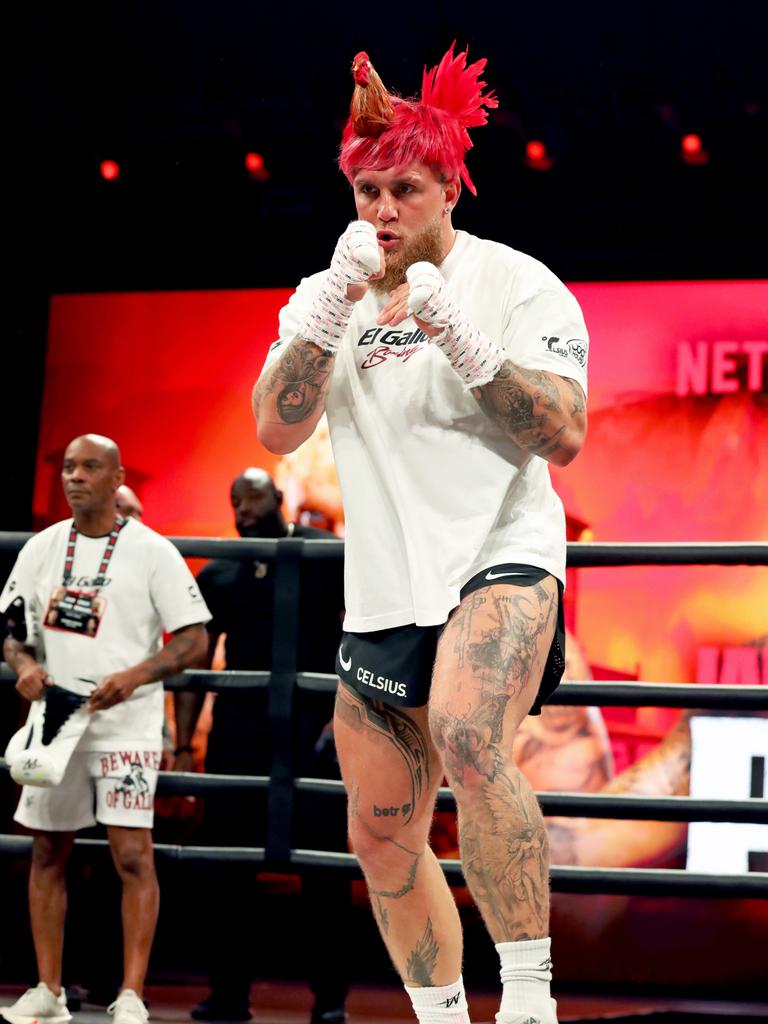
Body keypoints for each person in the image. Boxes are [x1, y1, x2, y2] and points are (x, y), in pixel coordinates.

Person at [252, 46, 588, 1024]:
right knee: (380, 830)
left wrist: (471, 348)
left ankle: (528, 1002)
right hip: (389, 588)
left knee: (469, 731)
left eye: (405, 186)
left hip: (502, 556)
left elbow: (563, 434)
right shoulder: (334, 294)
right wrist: (317, 320)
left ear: (448, 186)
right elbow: (274, 426)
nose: (384, 208)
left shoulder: (516, 285)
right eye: (367, 189)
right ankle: (443, 1017)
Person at [0, 434, 209, 1024]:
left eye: (90, 467)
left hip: (126, 722)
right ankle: (47, 989)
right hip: (55, 720)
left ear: (117, 476)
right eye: (68, 467)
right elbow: (13, 629)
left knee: (133, 856)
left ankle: (132, 994)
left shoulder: (151, 551)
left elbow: (194, 637)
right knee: (46, 851)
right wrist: (26, 666)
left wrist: (136, 674)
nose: (75, 477)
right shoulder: (41, 549)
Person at [173, 467, 350, 1024]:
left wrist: (355, 716)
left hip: (316, 732)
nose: (243, 510)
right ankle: (228, 996)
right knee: (229, 870)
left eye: (252, 498)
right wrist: (182, 743)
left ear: (278, 498)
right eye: (234, 502)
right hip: (239, 733)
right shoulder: (220, 569)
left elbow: (370, 630)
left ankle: (330, 1003)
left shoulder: (329, 555)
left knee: (324, 871)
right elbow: (197, 655)